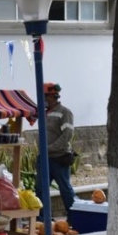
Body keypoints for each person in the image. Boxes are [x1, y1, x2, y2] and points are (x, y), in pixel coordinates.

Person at [36, 82, 76, 218]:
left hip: (59, 158)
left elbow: (67, 135)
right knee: (40, 189)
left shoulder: (64, 112)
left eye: (44, 97)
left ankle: (74, 217)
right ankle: (43, 219)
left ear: (52, 96)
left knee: (65, 190)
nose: (42, 100)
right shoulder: (44, 113)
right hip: (44, 159)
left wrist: (49, 148)